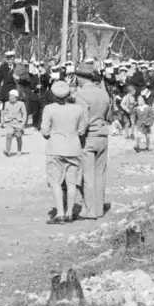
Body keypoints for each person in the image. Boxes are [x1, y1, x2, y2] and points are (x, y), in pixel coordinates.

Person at [41, 79, 89, 224]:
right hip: (73, 147)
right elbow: (82, 131)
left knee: (55, 181)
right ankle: (69, 213)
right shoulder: (78, 108)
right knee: (72, 182)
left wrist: (52, 134)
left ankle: (60, 213)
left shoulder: (49, 109)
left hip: (55, 147)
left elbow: (44, 130)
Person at [74, 62, 113, 220]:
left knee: (87, 174)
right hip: (103, 135)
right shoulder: (104, 93)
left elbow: (82, 120)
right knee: (100, 173)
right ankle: (98, 208)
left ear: (80, 78)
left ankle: (89, 210)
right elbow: (109, 116)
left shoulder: (81, 95)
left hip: (89, 136)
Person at [1, 89, 27, 156]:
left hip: (18, 123)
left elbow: (24, 114)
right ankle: (7, 150)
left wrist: (23, 123)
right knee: (9, 135)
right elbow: (4, 113)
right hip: (9, 122)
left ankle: (19, 150)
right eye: (10, 96)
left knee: (18, 137)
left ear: (16, 97)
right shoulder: (6, 103)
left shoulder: (21, 104)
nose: (11, 98)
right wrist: (2, 122)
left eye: (13, 96)